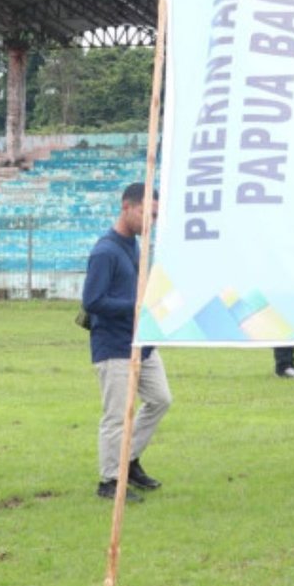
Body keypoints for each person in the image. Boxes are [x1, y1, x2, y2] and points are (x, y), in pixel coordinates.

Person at [83, 182, 170, 503]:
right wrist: (134, 307)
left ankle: (128, 459)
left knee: (161, 399)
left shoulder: (135, 246)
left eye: (157, 216)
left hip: (141, 342)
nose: (152, 221)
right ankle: (109, 480)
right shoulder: (105, 251)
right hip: (114, 346)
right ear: (126, 207)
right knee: (117, 414)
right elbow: (92, 300)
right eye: (148, 213)